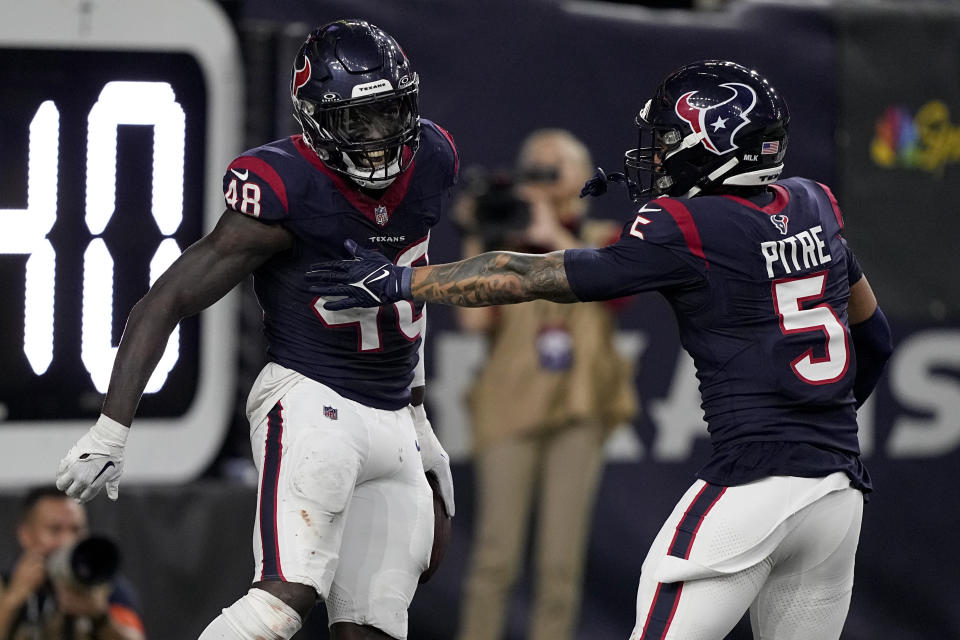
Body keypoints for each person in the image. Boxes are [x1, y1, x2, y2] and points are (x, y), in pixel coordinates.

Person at [305, 60, 895, 639]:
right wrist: (815, 424)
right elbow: (873, 337)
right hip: (838, 494)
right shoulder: (814, 202)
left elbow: (533, 276)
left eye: (668, 139)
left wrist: (403, 281)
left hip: (755, 485)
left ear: (713, 140)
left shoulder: (687, 223)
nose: (657, 155)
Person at [54, 19, 457, 640]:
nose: (378, 139)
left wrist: (420, 417)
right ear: (315, 120)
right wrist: (112, 426)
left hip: (393, 410)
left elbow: (411, 297)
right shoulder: (284, 188)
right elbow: (166, 300)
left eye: (389, 113)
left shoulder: (430, 158)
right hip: (313, 395)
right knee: (283, 600)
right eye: (357, 122)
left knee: (375, 625)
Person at [454, 129, 637, 640]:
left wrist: (549, 229)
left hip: (579, 408)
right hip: (509, 406)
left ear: (583, 177)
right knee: (495, 556)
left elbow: (616, 292)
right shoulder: (507, 246)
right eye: (534, 167)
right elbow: (473, 324)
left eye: (554, 167)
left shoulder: (605, 241)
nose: (544, 177)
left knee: (560, 562)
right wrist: (479, 235)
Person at [0, 486, 145, 640]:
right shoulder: (6, 584)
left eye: (76, 530)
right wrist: (12, 601)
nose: (68, 541)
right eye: (55, 530)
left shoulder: (105, 587)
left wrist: (99, 616)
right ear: (26, 535)